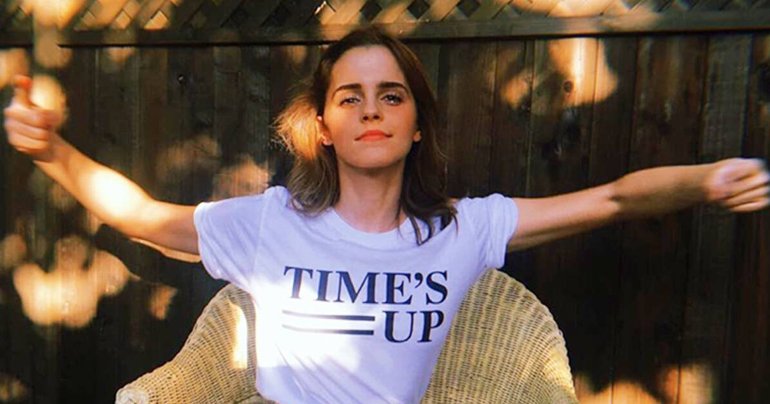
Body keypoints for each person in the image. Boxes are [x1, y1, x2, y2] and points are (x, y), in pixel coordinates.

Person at [4, 26, 769, 403]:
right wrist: (51, 152)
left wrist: (707, 181)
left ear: (417, 124)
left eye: (391, 96)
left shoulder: (465, 230)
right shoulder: (271, 224)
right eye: (351, 97)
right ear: (325, 126)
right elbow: (140, 215)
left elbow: (614, 198)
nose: (371, 110)